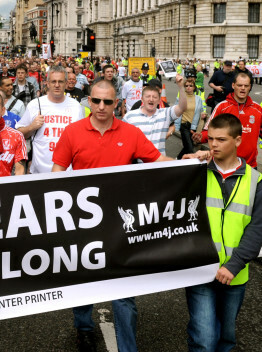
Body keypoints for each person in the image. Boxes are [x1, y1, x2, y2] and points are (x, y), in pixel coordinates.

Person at [51, 79, 169, 352]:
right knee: (82, 285)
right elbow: (57, 172)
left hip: (120, 228)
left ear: (117, 103)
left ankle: (128, 348)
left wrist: (190, 161)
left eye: (107, 102)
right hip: (83, 225)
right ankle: (84, 329)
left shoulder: (130, 132)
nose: (101, 106)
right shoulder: (72, 132)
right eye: (96, 101)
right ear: (88, 101)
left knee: (124, 295)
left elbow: (158, 161)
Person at [183, 114, 262, 352]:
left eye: (221, 140)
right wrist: (183, 163)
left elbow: (257, 229)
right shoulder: (195, 171)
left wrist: (234, 265)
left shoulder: (256, 181)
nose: (213, 145)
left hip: (234, 274)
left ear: (238, 141)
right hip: (201, 271)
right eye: (211, 139)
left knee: (226, 339)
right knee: (204, 340)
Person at [16, 66, 84, 174]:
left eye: (60, 82)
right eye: (53, 81)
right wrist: (31, 127)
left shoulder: (76, 106)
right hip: (40, 172)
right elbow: (18, 134)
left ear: (66, 83)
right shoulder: (35, 104)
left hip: (67, 171)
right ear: (47, 84)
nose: (57, 85)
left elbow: (81, 137)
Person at [194, 71, 262, 167]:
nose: (243, 88)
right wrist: (200, 137)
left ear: (250, 87)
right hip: (224, 164)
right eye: (240, 85)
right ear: (233, 85)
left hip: (249, 165)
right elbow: (209, 131)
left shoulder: (258, 109)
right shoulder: (222, 107)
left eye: (246, 86)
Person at [123, 74, 187, 156]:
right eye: (148, 96)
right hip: (137, 165)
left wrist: (181, 87)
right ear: (142, 99)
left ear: (159, 100)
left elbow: (182, 108)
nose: (151, 99)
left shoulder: (165, 114)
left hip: (159, 164)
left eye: (154, 97)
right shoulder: (129, 116)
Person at [175, 79, 206, 159]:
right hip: (183, 124)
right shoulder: (181, 98)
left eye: (190, 86)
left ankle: (177, 159)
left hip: (193, 126)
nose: (188, 87)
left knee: (188, 146)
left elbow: (202, 108)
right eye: (186, 86)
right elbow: (174, 110)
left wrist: (203, 113)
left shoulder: (198, 98)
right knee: (189, 148)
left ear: (194, 87)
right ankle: (194, 164)